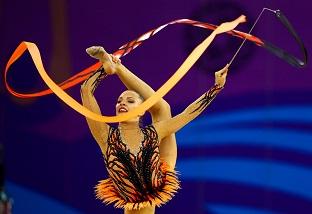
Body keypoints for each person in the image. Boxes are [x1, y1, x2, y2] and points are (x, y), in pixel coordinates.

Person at [80, 46, 228, 214]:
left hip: (160, 171)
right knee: (163, 109)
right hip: (141, 194)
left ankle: (118, 67)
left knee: (163, 109)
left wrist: (216, 87)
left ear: (142, 110)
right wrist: (103, 70)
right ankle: (115, 66)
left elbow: (188, 114)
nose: (122, 103)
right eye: (119, 100)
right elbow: (86, 91)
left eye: (129, 101)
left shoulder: (153, 133)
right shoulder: (105, 135)